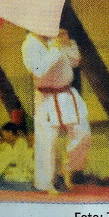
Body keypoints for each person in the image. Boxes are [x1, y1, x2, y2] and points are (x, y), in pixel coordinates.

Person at [22, 30, 90, 193]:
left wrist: (67, 43)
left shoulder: (54, 39)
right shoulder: (29, 45)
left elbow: (75, 61)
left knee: (83, 133)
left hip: (67, 94)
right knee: (47, 141)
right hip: (46, 97)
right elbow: (38, 70)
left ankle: (67, 169)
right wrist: (55, 49)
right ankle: (45, 184)